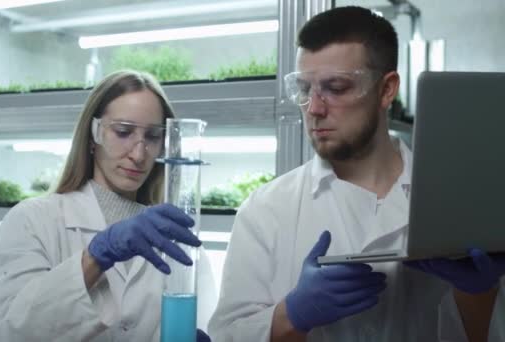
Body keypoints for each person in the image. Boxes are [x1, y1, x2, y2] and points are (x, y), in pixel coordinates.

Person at [208, 6, 504, 342]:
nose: (315, 108)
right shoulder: (266, 209)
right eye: (305, 89)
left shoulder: (458, 203)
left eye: (336, 87)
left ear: (386, 89)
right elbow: (226, 335)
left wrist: (479, 294)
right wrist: (292, 315)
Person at [0, 70, 216, 341]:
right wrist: (95, 257)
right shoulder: (32, 221)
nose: (139, 154)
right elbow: (4, 334)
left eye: (152, 137)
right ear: (93, 135)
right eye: (123, 132)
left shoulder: (177, 240)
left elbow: (207, 325)